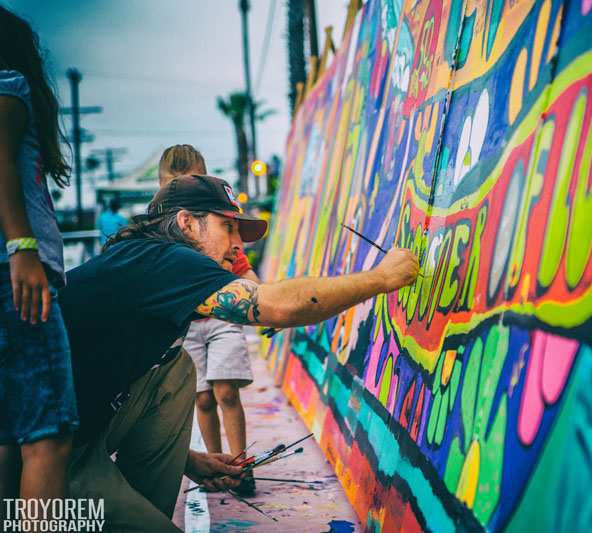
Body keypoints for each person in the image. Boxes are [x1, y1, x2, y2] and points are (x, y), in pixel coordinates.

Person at [59, 174, 418, 530]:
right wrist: (382, 278)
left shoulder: (149, 261)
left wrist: (189, 461)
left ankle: (141, 508)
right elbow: (277, 306)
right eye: (227, 228)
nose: (237, 245)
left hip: (84, 432)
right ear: (186, 223)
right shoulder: (168, 260)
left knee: (176, 368)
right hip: (46, 463)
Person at [0, 5, 78, 519]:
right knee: (47, 435)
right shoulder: (10, 85)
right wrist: (23, 248)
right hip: (15, 280)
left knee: (10, 432)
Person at [158, 144, 258, 496]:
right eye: (174, 185)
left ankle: (241, 466)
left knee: (227, 391)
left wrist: (263, 303)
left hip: (222, 319)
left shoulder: (218, 226)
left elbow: (245, 270)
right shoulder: (161, 237)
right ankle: (216, 469)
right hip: (188, 327)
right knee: (201, 399)